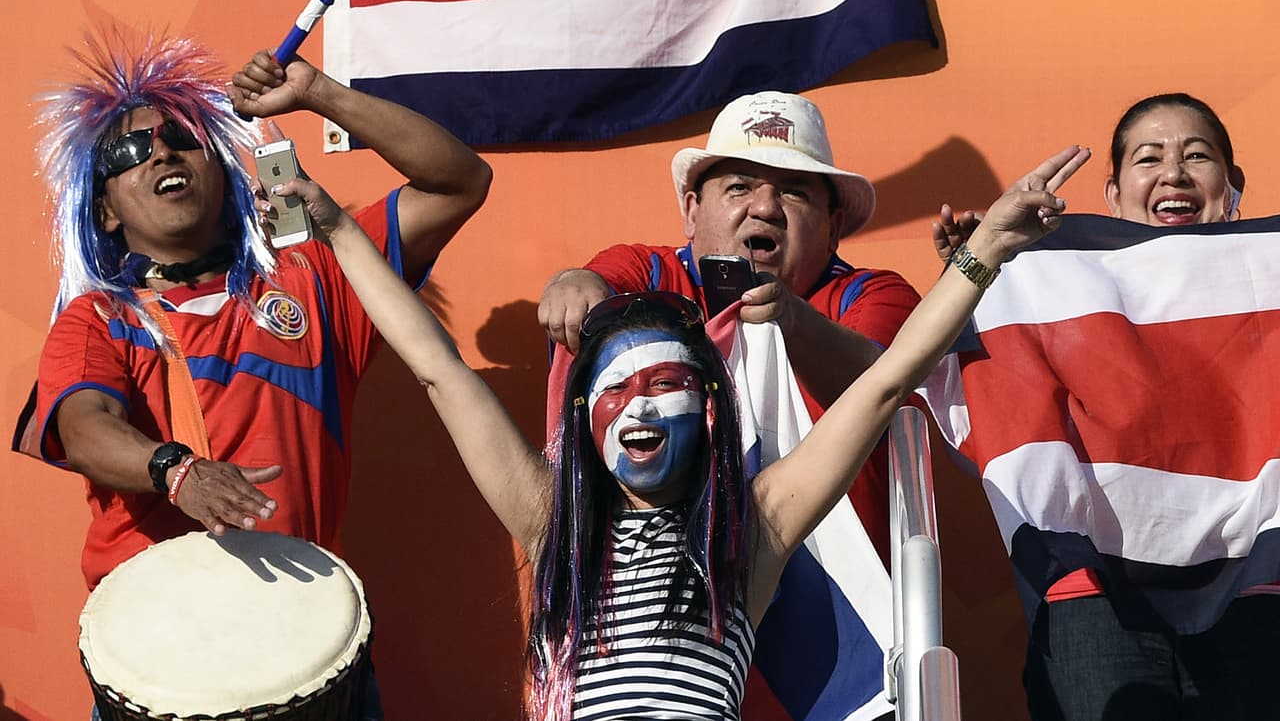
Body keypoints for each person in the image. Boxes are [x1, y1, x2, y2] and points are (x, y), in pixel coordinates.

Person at [281, 146, 1085, 719]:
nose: (637, 407)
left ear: (707, 411)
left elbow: (884, 382)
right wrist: (340, 229)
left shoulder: (753, 530)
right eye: (616, 389)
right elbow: (438, 368)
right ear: (584, 419)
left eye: (663, 384)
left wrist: (985, 250)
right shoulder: (554, 522)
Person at [32, 32, 492, 594]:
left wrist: (319, 92)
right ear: (104, 210)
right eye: (128, 153)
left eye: (182, 136)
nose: (162, 153)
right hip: (157, 620)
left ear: (223, 171)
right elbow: (85, 430)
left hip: (304, 616)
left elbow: (458, 184)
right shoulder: (97, 319)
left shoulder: (318, 276)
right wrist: (178, 472)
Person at [932, 94, 1268, 721]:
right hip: (1093, 594)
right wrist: (976, 274)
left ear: (1233, 185)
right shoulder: (1045, 283)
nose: (1173, 173)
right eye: (1149, 158)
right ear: (1113, 195)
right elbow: (991, 446)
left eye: (1197, 156)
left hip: (1259, 581)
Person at [539, 91, 921, 559]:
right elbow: (588, 290)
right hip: (655, 576)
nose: (765, 208)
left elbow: (882, 386)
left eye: (794, 192)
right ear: (692, 211)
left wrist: (790, 319)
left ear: (833, 227)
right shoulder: (648, 273)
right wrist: (570, 284)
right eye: (739, 187)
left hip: (834, 587)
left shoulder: (873, 295)